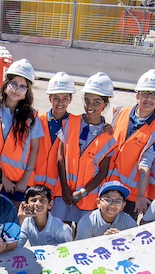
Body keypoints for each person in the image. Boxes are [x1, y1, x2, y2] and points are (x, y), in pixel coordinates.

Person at [56, 72, 117, 224]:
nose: (90, 106)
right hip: (64, 193)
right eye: (87, 101)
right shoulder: (70, 123)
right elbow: (61, 158)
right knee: (60, 235)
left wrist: (83, 192)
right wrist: (64, 188)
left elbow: (103, 171)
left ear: (105, 105)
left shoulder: (108, 137)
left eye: (96, 102)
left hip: (88, 197)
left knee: (82, 237)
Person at [110, 69, 155, 219]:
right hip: (107, 185)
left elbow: (146, 163)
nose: (149, 99)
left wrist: (141, 196)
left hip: (130, 194)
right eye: (145, 93)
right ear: (137, 95)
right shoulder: (120, 112)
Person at [0, 59, 44, 202]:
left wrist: (25, 180)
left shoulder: (32, 117)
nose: (17, 89)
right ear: (5, 86)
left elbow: (34, 150)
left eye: (23, 87)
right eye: (14, 84)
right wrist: (3, 178)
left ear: (26, 92)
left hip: (22, 183)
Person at [35, 72, 78, 204]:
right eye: (56, 98)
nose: (60, 103)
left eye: (65, 98)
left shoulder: (75, 123)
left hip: (60, 189)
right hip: (36, 186)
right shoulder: (37, 120)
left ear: (70, 100)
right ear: (50, 99)